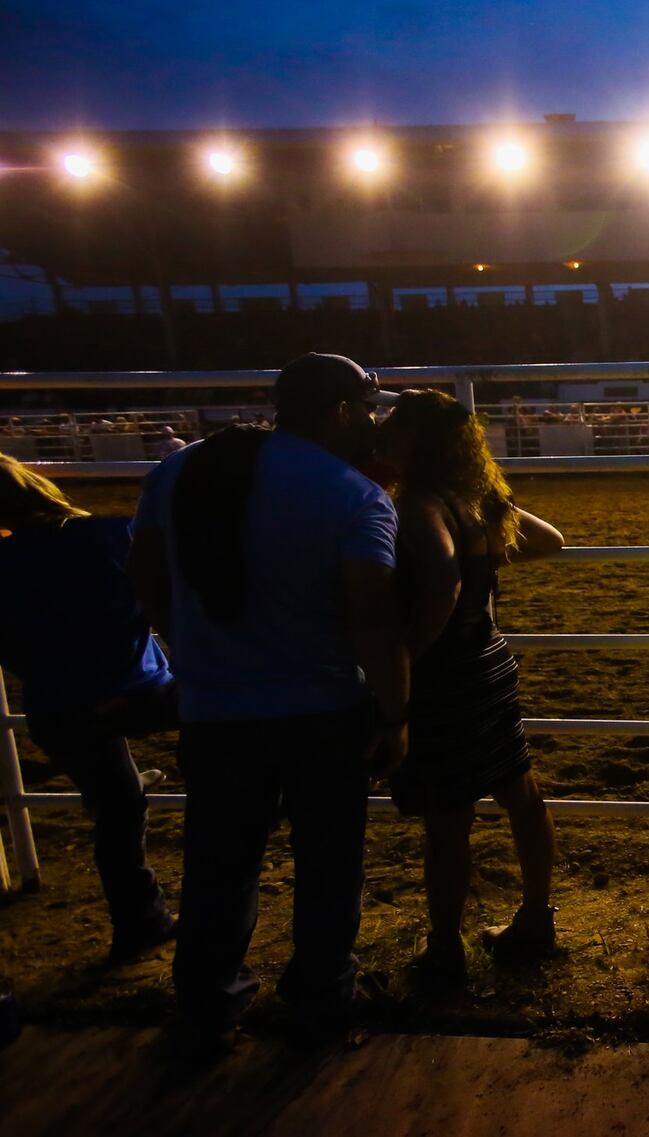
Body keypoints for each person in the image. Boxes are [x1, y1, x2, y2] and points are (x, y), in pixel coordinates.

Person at [131, 352, 409, 1058]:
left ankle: (205, 1009)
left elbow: (148, 578)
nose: (373, 420)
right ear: (341, 411)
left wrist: (190, 652)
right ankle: (318, 1006)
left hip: (216, 706)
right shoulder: (352, 495)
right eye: (367, 408)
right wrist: (395, 710)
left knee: (219, 867)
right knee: (327, 865)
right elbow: (372, 616)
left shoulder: (178, 471)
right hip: (319, 706)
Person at [376, 389, 566, 979]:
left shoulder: (422, 505)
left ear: (420, 441)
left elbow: (438, 579)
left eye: (395, 428)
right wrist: (484, 559)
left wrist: (405, 656)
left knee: (448, 818)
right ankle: (536, 916)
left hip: (446, 677)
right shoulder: (477, 498)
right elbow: (548, 540)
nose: (384, 435)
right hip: (488, 663)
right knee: (522, 796)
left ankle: (445, 948)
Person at [0, 454, 176, 963]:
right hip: (139, 692)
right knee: (225, 707)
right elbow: (159, 599)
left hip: (59, 707)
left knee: (118, 813)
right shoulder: (109, 536)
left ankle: (140, 924)